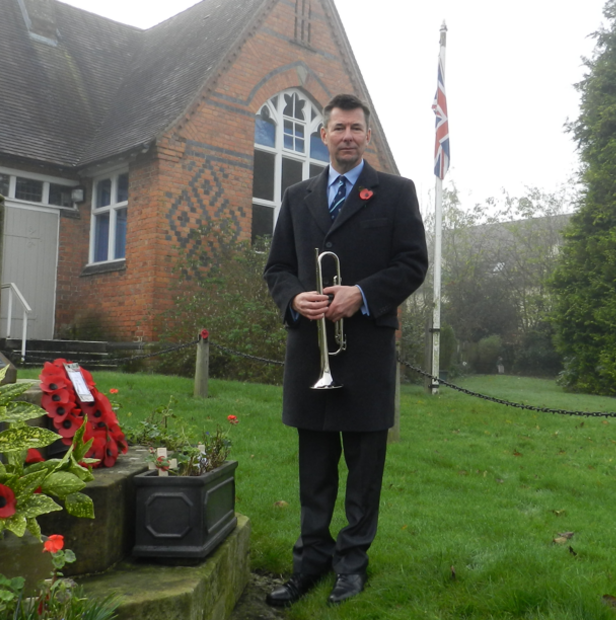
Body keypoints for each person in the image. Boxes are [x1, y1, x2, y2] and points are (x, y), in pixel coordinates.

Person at [262, 93, 428, 606]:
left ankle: (352, 565)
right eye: (339, 128)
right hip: (311, 354)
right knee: (313, 474)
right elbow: (276, 269)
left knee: (363, 474)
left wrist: (362, 294)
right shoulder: (296, 197)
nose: (348, 136)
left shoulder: (396, 193)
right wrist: (294, 297)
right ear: (323, 136)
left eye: (357, 128)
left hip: (366, 356)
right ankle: (310, 562)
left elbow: (412, 264)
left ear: (367, 137)